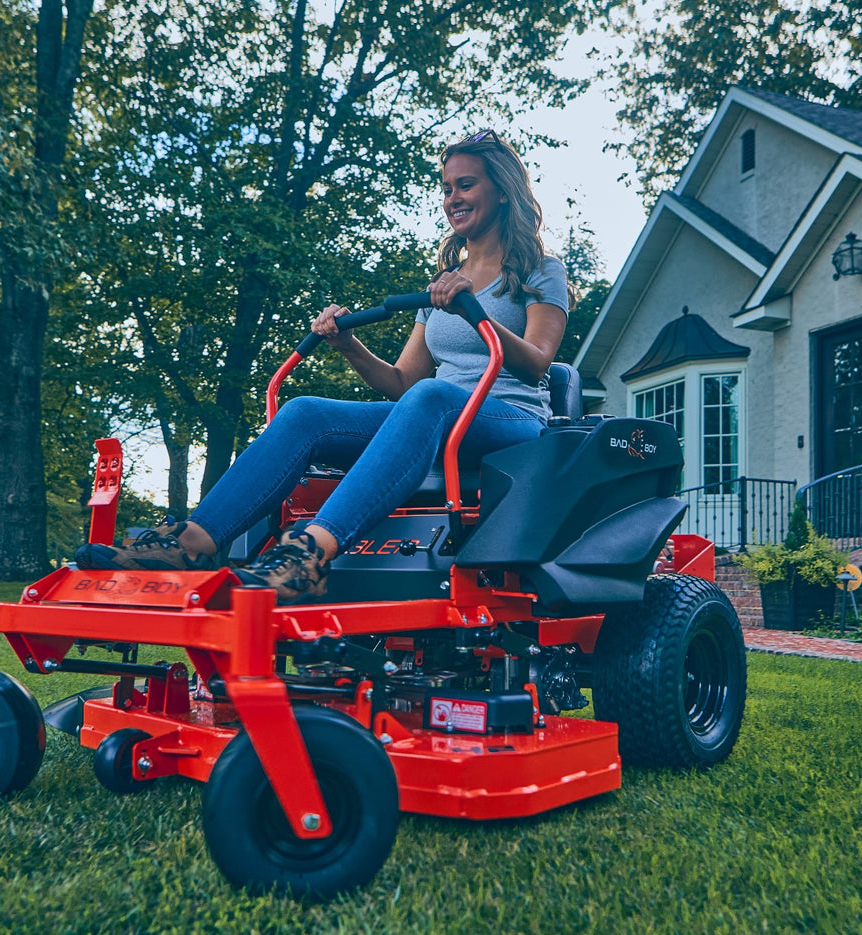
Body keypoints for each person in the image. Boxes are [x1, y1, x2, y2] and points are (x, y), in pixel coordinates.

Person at [76, 129, 571, 602]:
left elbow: (536, 364)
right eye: (446, 188)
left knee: (434, 396)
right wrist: (349, 345)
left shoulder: (539, 271)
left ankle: (309, 556)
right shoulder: (444, 281)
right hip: (438, 411)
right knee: (306, 410)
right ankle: (192, 544)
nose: (453, 198)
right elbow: (402, 383)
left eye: (466, 184)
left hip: (511, 418)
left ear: (502, 191)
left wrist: (473, 308)